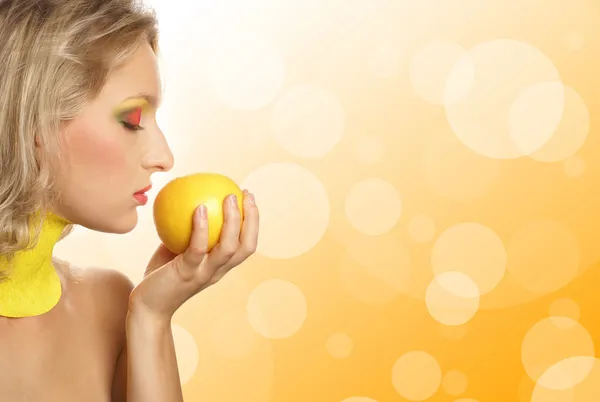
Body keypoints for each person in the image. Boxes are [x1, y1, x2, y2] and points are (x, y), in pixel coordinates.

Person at [0, 0, 260, 401]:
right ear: (33, 121)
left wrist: (152, 317)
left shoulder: (110, 304)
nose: (164, 157)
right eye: (133, 121)